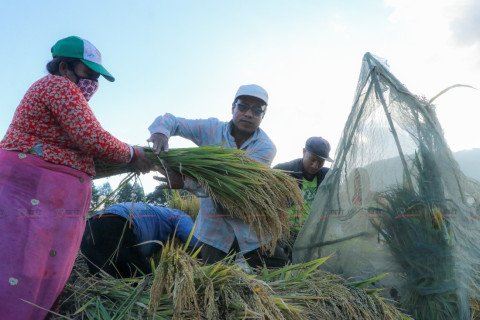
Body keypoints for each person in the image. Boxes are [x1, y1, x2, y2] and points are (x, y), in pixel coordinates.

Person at [0, 36, 152, 319]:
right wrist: (133, 154)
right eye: (88, 73)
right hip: (30, 189)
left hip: (42, 195)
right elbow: (91, 138)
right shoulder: (58, 85)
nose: (92, 82)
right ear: (64, 67)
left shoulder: (62, 91)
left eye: (96, 77)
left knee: (31, 267)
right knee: (18, 265)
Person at [147, 84, 289, 268]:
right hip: (213, 230)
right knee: (208, 282)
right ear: (233, 107)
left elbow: (233, 186)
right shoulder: (211, 129)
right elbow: (173, 121)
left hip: (250, 228)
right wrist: (161, 132)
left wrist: (185, 182)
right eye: (243, 106)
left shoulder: (265, 148)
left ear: (263, 115)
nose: (249, 114)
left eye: (257, 110)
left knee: (277, 272)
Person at [81, 202, 202, 278]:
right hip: (114, 224)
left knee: (104, 282)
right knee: (143, 280)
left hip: (86, 228)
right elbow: (194, 241)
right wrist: (203, 263)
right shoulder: (179, 214)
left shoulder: (155, 213)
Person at [273, 136, 333, 259]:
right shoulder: (283, 171)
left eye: (320, 162)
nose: (315, 165)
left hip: (309, 233)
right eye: (312, 159)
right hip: (284, 232)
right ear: (304, 152)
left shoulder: (327, 176)